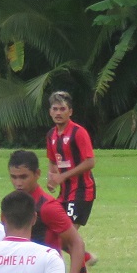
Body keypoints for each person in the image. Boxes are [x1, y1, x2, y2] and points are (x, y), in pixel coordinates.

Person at [45, 91, 96, 227]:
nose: (58, 113)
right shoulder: (51, 135)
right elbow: (52, 160)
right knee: (54, 233)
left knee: (67, 236)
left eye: (62, 109)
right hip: (64, 193)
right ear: (50, 112)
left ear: (70, 112)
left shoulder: (78, 132)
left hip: (82, 191)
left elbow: (90, 162)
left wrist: (63, 176)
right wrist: (52, 177)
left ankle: (79, 249)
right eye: (55, 109)